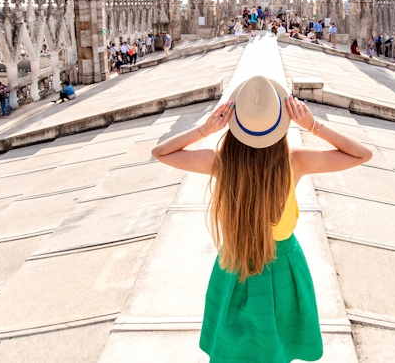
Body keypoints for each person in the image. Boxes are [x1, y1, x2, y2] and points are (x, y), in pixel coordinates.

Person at [151, 75, 372, 363]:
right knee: (277, 345)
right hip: (283, 266)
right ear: (280, 124)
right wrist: (312, 125)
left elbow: (161, 152)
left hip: (235, 264)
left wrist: (205, 129)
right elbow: (361, 154)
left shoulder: (220, 162)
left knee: (235, 347)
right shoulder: (295, 161)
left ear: (233, 123)